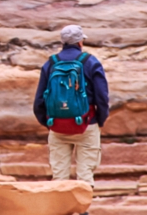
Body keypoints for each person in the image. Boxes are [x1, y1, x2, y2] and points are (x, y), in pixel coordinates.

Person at [33, 24, 110, 205]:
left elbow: (38, 101)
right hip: (86, 124)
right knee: (85, 177)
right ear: (80, 41)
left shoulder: (51, 63)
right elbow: (102, 97)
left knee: (59, 178)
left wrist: (49, 122)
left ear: (62, 42)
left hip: (57, 127)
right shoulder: (91, 62)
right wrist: (99, 120)